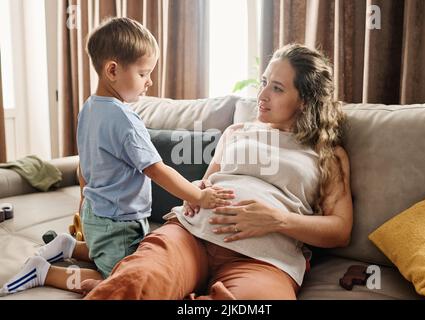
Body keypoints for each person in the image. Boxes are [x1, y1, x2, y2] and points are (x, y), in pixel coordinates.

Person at [79, 43, 353, 300]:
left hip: (263, 261)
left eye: (277, 88)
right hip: (191, 236)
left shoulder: (326, 154)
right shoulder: (236, 132)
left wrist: (278, 220)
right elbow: (207, 181)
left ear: (305, 99)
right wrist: (197, 189)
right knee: (134, 284)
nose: (262, 95)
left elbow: (340, 231)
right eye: (264, 82)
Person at [0, 17, 234, 297]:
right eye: (144, 73)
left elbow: (83, 168)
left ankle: (69, 247)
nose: (150, 82)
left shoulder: (88, 108)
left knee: (107, 251)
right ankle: (45, 272)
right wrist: (199, 197)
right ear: (113, 70)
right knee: (123, 278)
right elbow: (156, 170)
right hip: (119, 222)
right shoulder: (125, 119)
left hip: (96, 213)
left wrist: (84, 202)